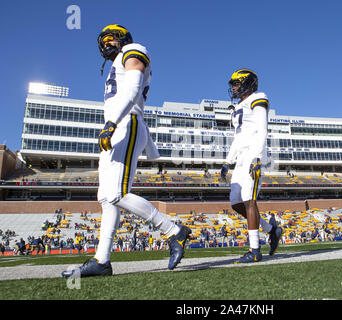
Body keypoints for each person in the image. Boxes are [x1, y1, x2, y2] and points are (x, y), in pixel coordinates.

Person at [62, 25, 191, 279]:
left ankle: (172, 230)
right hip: (119, 125)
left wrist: (112, 124)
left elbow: (133, 91)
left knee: (117, 193)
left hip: (125, 123)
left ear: (124, 39)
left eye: (112, 38)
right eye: (104, 39)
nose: (107, 43)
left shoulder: (133, 50)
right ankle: (102, 261)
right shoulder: (116, 64)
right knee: (106, 197)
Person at [220, 69, 282, 264]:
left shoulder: (258, 97)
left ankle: (255, 250)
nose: (234, 88)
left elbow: (262, 129)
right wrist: (227, 162)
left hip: (253, 154)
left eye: (237, 84)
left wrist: (256, 157)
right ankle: (272, 230)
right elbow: (237, 138)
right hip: (240, 158)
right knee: (236, 202)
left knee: (249, 200)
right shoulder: (238, 107)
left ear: (248, 83)